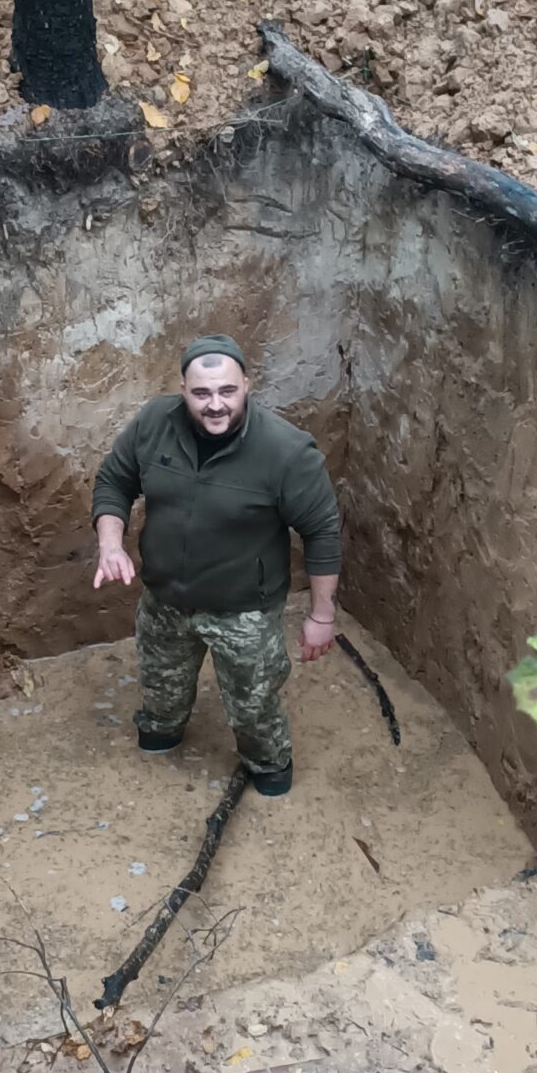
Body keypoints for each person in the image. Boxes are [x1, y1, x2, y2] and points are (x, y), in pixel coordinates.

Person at [90, 335, 341, 796]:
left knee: (253, 709)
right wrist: (111, 544)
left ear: (247, 383)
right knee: (159, 705)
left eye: (227, 391)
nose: (215, 405)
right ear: (182, 390)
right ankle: (164, 729)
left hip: (243, 610)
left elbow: (322, 532)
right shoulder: (152, 424)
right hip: (165, 600)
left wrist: (321, 615)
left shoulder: (286, 451)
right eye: (201, 393)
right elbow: (114, 480)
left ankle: (268, 766)